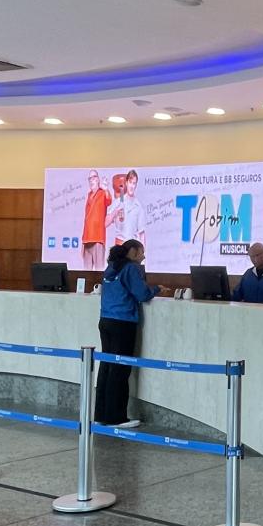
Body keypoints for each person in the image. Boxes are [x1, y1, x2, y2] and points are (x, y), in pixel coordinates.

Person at [95, 239, 154, 428]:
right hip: (123, 322)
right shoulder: (131, 268)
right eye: (141, 252)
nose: (143, 256)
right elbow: (142, 294)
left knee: (106, 367)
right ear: (133, 251)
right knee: (120, 369)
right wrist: (156, 289)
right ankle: (116, 417)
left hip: (106, 320)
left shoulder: (111, 267)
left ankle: (101, 414)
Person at [80, 170, 110, 271]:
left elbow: (108, 200)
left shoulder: (102, 192)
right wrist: (83, 242)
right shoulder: (89, 195)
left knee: (99, 271)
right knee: (86, 272)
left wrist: (106, 189)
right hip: (87, 240)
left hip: (98, 239)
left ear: (98, 179)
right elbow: (86, 220)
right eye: (90, 179)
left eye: (93, 177)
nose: (91, 180)